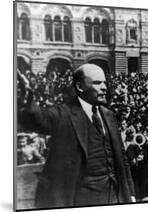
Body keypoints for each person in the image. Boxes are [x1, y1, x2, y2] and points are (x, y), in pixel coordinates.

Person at [18, 64, 135, 208]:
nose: (104, 87)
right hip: (82, 201)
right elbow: (37, 119)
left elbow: (122, 158)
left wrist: (130, 193)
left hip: (116, 197)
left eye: (104, 82)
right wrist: (27, 98)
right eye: (97, 83)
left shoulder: (109, 115)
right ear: (80, 87)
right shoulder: (63, 114)